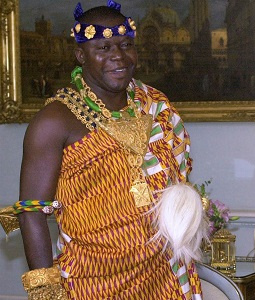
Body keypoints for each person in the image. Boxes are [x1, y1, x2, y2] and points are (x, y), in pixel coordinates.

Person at [14, 1, 205, 299]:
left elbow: (178, 183)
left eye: (126, 44)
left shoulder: (155, 105)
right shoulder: (55, 119)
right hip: (91, 280)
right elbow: (32, 212)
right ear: (81, 55)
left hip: (162, 274)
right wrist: (47, 291)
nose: (118, 56)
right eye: (103, 48)